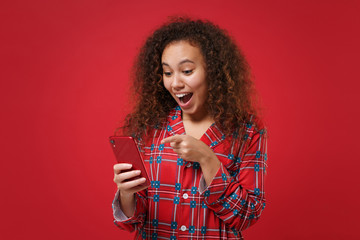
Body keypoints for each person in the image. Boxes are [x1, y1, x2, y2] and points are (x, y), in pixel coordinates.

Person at [112, 16, 268, 240]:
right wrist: (126, 194)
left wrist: (208, 160)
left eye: (186, 71)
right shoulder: (149, 127)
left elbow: (246, 215)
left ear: (213, 73)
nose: (175, 83)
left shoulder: (247, 131)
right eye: (167, 73)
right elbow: (132, 223)